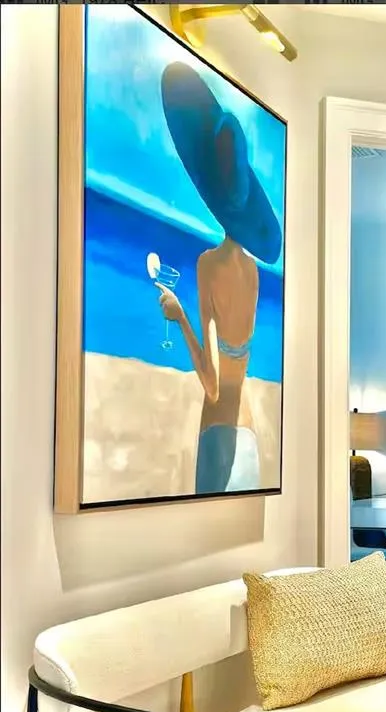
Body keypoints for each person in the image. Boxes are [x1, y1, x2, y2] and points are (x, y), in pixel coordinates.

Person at [159, 62, 282, 495]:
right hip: (247, 429)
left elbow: (211, 386)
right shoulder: (253, 272)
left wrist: (179, 316)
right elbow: (235, 360)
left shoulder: (208, 265)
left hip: (216, 431)